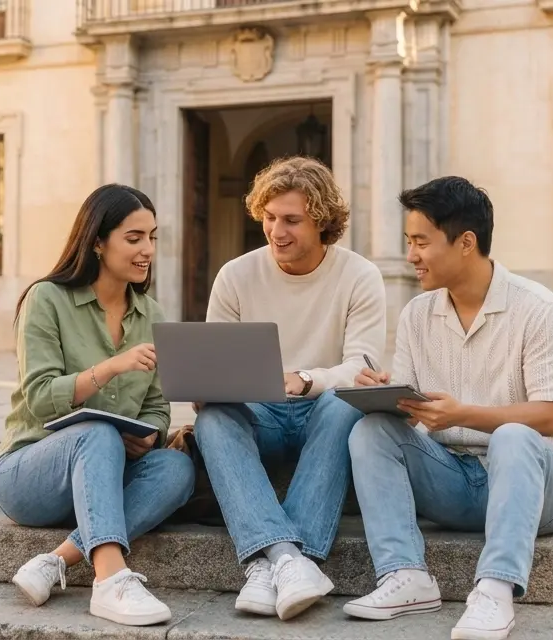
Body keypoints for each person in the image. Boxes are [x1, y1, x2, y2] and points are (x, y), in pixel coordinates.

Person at [344, 176, 553, 640]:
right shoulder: (416, 314)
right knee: (370, 429)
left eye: (421, 242)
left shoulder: (538, 308)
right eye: (408, 242)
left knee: (514, 436)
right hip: (453, 479)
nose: (411, 256)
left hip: (537, 489)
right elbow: (414, 414)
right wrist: (388, 395)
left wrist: (462, 414)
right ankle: (405, 575)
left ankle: (495, 590)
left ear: (465, 243)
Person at [0, 184, 196, 627]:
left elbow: (157, 406)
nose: (147, 250)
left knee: (176, 468)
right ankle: (110, 579)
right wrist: (111, 367)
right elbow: (40, 397)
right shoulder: (46, 298)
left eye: (152, 237)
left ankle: (58, 559)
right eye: (134, 238)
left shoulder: (153, 315)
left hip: (106, 478)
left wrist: (149, 435)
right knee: (98, 433)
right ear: (98, 242)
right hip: (31, 476)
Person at [192, 156, 387, 621]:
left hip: (323, 410)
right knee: (213, 418)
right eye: (269, 218)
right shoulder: (235, 275)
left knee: (346, 404)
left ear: (322, 222)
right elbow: (216, 362)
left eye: (292, 221)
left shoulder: (359, 275)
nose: (277, 231)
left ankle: (273, 564)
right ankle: (287, 559)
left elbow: (363, 367)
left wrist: (306, 379)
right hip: (261, 413)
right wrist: (207, 387)